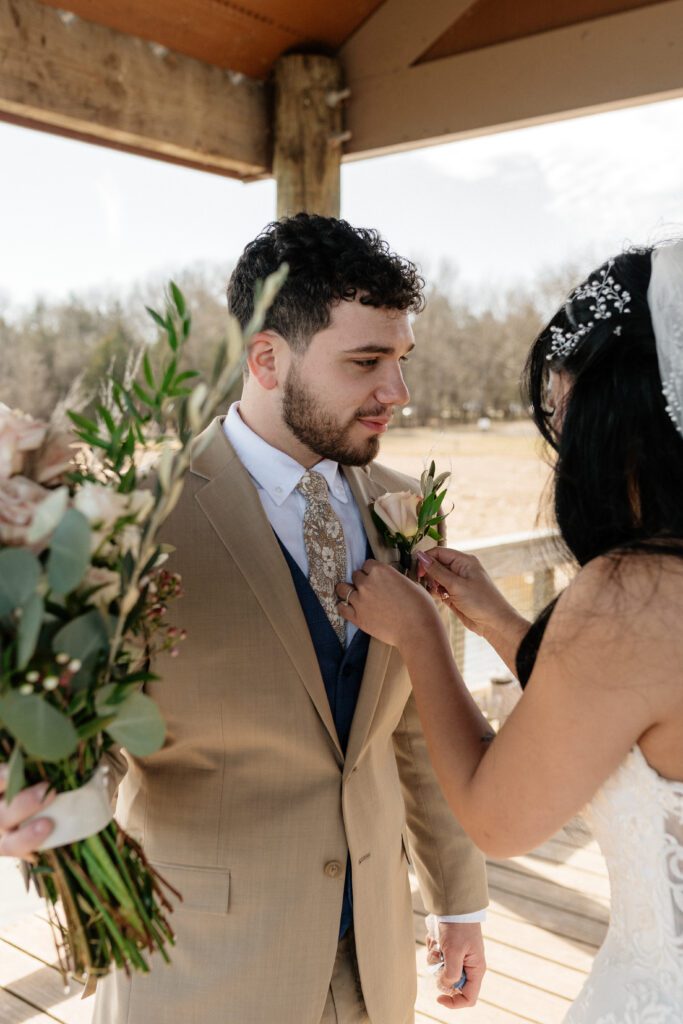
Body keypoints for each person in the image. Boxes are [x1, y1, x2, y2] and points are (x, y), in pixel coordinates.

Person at [0, 214, 488, 1024]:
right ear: (266, 358)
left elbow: (415, 732)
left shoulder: (405, 506)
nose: (396, 393)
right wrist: (48, 794)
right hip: (197, 969)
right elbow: (87, 730)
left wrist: (458, 900)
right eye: (366, 362)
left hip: (373, 965)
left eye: (400, 361)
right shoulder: (129, 519)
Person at [336, 241, 683, 1021]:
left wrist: (423, 634)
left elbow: (497, 820)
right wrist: (501, 623)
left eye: (562, 416)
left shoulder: (634, 593)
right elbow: (629, 706)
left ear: (621, 418)